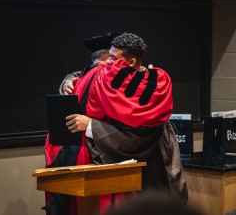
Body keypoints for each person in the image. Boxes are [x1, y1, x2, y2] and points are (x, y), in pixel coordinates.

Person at [66, 32, 188, 209]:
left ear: (131, 63)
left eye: (113, 58)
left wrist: (91, 125)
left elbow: (133, 140)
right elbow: (90, 72)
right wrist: (69, 80)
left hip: (154, 159)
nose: (108, 62)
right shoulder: (116, 79)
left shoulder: (152, 89)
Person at [43, 32, 119, 215]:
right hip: (90, 150)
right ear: (108, 57)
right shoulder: (106, 77)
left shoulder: (79, 78)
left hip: (61, 148)